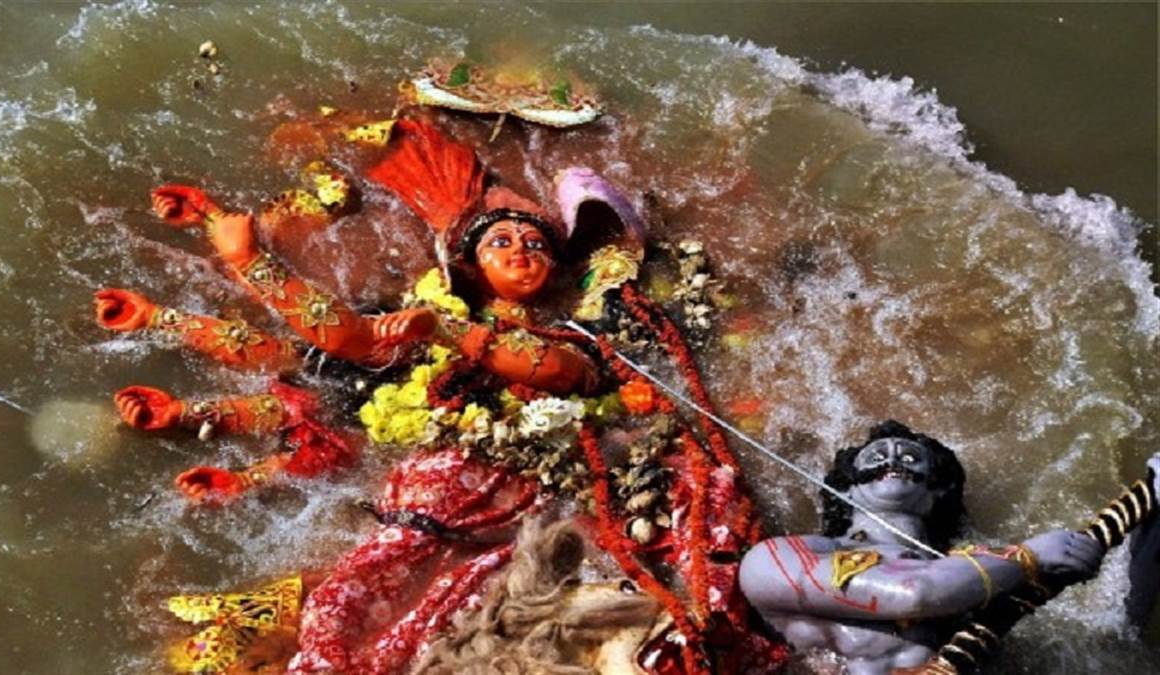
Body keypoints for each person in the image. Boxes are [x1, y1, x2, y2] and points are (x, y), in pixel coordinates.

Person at [116, 117, 780, 674]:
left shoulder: (573, 329)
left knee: (454, 625)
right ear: (470, 267)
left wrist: (448, 330)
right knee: (338, 610)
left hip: (513, 502)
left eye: (536, 244)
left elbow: (558, 372)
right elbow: (346, 335)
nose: (521, 251)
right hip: (420, 505)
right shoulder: (428, 323)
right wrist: (248, 259)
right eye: (501, 242)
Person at [738, 420, 1109, 675]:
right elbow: (915, 593)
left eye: (911, 458)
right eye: (876, 457)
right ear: (847, 487)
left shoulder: (981, 579)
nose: (892, 460)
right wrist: (1028, 557)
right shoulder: (785, 556)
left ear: (939, 487)